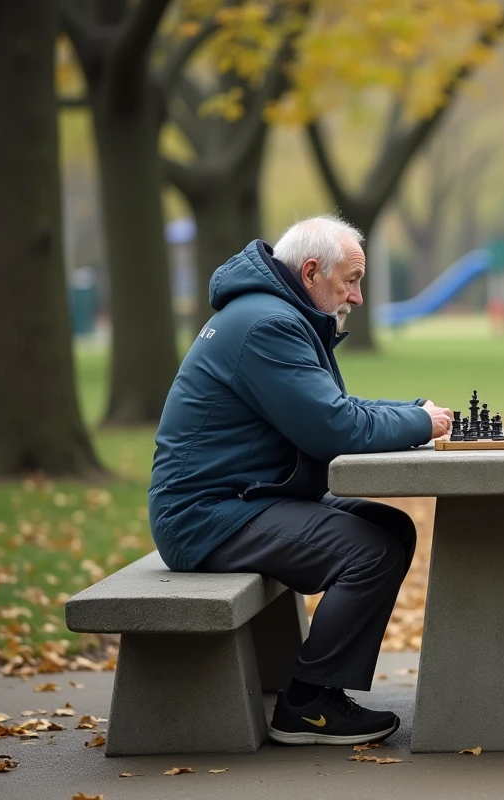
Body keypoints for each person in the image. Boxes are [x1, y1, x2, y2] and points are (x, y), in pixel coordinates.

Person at [148, 215, 453, 746]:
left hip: (241, 498)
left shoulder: (274, 312)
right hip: (206, 516)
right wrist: (421, 423)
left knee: (391, 529)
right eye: (351, 280)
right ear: (311, 271)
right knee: (370, 551)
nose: (356, 297)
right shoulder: (269, 324)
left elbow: (334, 409)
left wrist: (412, 411)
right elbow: (333, 429)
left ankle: (324, 691)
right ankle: (307, 705)